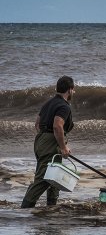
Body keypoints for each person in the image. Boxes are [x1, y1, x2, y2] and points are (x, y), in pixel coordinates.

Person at [21, 76, 75, 208]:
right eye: (73, 89)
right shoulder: (64, 106)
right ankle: (24, 210)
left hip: (40, 140)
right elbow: (57, 126)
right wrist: (62, 147)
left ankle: (51, 207)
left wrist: (47, 139)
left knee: (54, 175)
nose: (74, 92)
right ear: (69, 90)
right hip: (50, 142)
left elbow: (37, 124)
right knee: (44, 178)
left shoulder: (48, 103)